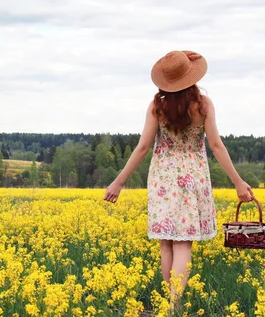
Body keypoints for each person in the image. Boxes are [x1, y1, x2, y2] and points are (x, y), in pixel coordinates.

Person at [103, 50, 254, 312]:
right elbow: (217, 146)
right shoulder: (203, 104)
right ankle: (175, 306)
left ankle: (167, 304)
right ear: (191, 77)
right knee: (183, 242)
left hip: (162, 178)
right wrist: (238, 182)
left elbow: (142, 148)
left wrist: (118, 183)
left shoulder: (157, 106)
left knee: (167, 242)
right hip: (192, 178)